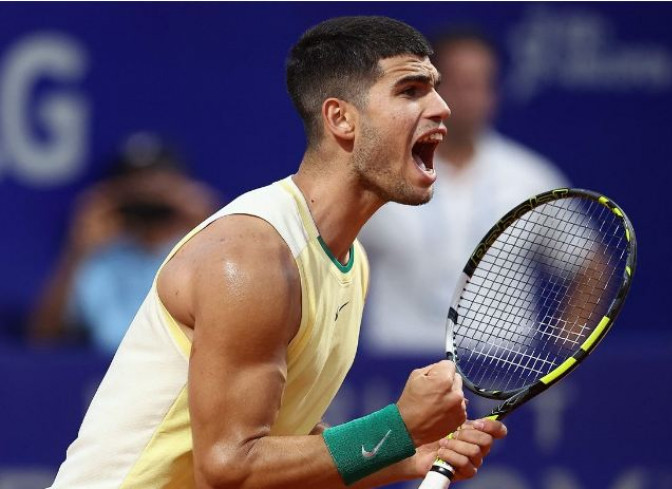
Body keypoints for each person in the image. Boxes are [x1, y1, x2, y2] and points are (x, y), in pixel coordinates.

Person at [49, 17, 507, 489]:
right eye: (411, 90)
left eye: (435, 89)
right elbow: (228, 468)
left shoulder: (350, 262)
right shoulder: (251, 260)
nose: (442, 107)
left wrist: (408, 457)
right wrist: (397, 428)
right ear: (341, 119)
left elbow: (282, 441)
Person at [360, 26, 570, 356]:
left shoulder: (530, 178)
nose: (469, 98)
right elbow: (325, 260)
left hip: (500, 369)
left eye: (480, 85)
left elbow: (589, 265)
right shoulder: (378, 173)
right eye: (458, 84)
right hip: (397, 368)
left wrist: (563, 354)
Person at [30, 133, 219, 354]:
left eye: (159, 185)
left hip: (185, 366)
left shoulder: (198, 252)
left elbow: (230, 325)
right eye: (136, 183)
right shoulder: (102, 258)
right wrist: (77, 250)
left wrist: (212, 230)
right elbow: (43, 335)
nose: (148, 194)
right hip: (109, 367)